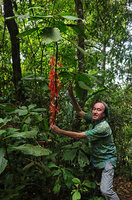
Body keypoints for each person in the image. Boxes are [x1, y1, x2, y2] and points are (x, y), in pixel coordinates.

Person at [51, 84, 120, 200]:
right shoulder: (94, 120)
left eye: (99, 110)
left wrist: (59, 130)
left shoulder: (103, 127)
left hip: (107, 160)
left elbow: (79, 136)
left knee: (106, 191)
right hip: (97, 160)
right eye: (94, 109)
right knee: (98, 187)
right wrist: (72, 95)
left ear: (103, 114)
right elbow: (79, 112)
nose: (95, 112)